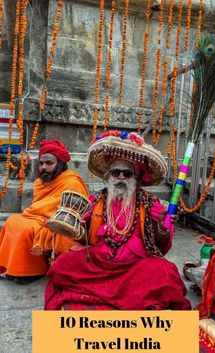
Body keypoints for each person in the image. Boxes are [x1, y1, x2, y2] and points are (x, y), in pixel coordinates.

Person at [45, 130, 191, 310]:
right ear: (108, 176)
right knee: (61, 266)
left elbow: (161, 246)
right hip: (99, 263)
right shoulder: (97, 200)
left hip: (134, 267)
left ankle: (105, 294)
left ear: (135, 178)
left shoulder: (149, 202)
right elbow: (82, 234)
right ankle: (126, 297)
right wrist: (75, 230)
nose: (121, 177)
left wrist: (161, 227)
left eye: (127, 173)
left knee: (166, 274)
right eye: (115, 172)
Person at [0, 139, 89, 284]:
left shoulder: (72, 182)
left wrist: (48, 222)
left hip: (58, 226)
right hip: (38, 219)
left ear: (59, 164)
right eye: (41, 163)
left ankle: (30, 272)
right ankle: (16, 268)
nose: (43, 167)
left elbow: (75, 217)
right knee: (12, 221)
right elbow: (38, 208)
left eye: (49, 163)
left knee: (25, 228)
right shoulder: (40, 183)